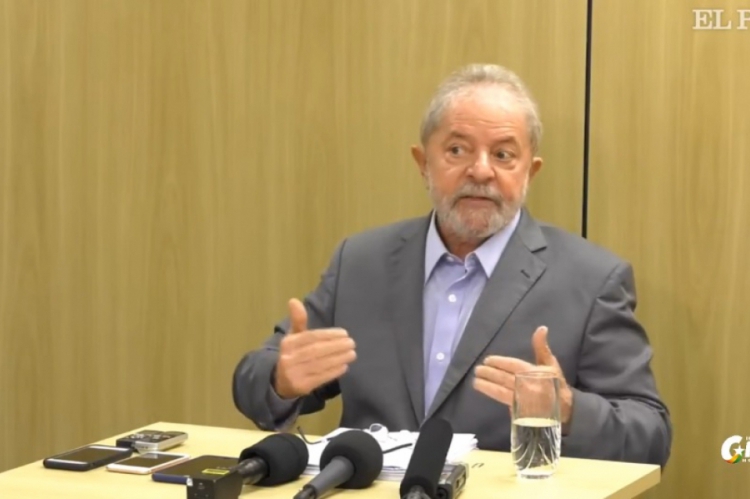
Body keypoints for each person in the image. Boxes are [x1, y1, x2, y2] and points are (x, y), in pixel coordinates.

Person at [232, 63, 672, 467]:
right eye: (458, 150)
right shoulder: (361, 263)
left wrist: (569, 409)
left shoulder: (591, 279)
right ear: (423, 163)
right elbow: (254, 380)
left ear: (530, 172)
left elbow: (650, 434)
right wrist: (281, 380)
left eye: (503, 155)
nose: (480, 171)